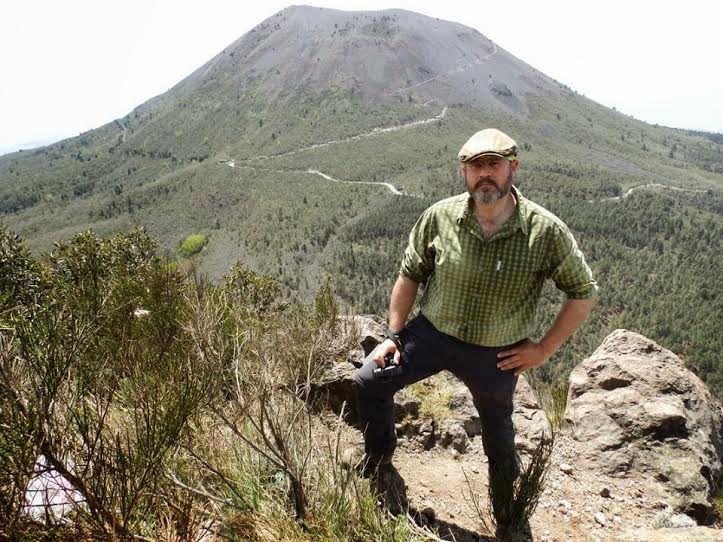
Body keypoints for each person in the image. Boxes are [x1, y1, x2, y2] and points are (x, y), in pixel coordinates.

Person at [350, 127, 598, 528]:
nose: (485, 174)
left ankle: (507, 512)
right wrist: (392, 337)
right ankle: (379, 460)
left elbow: (583, 292)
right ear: (464, 172)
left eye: (494, 165)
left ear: (512, 167)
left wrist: (544, 349)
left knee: (498, 437)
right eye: (476, 166)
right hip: (433, 334)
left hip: (496, 353)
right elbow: (409, 275)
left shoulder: (544, 231)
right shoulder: (440, 216)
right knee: (369, 380)